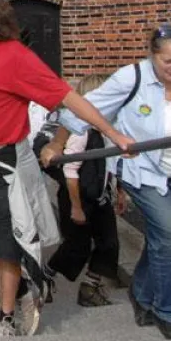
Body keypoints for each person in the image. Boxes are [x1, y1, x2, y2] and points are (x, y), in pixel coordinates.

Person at [0, 0, 133, 338]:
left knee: (3, 240)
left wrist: (113, 134)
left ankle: (7, 315)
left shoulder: (16, 58)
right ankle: (28, 281)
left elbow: (69, 98)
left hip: (2, 162)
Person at [41, 26, 171, 339]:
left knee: (164, 238)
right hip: (142, 171)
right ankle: (169, 311)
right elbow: (83, 109)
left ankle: (141, 295)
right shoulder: (131, 78)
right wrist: (57, 144)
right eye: (167, 61)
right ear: (153, 54)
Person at [42, 74, 121, 309]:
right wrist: (76, 207)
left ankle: (90, 286)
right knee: (76, 246)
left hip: (99, 194)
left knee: (109, 243)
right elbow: (71, 170)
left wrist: (118, 190)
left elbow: (112, 162)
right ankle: (45, 275)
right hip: (77, 195)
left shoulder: (108, 126)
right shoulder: (80, 129)